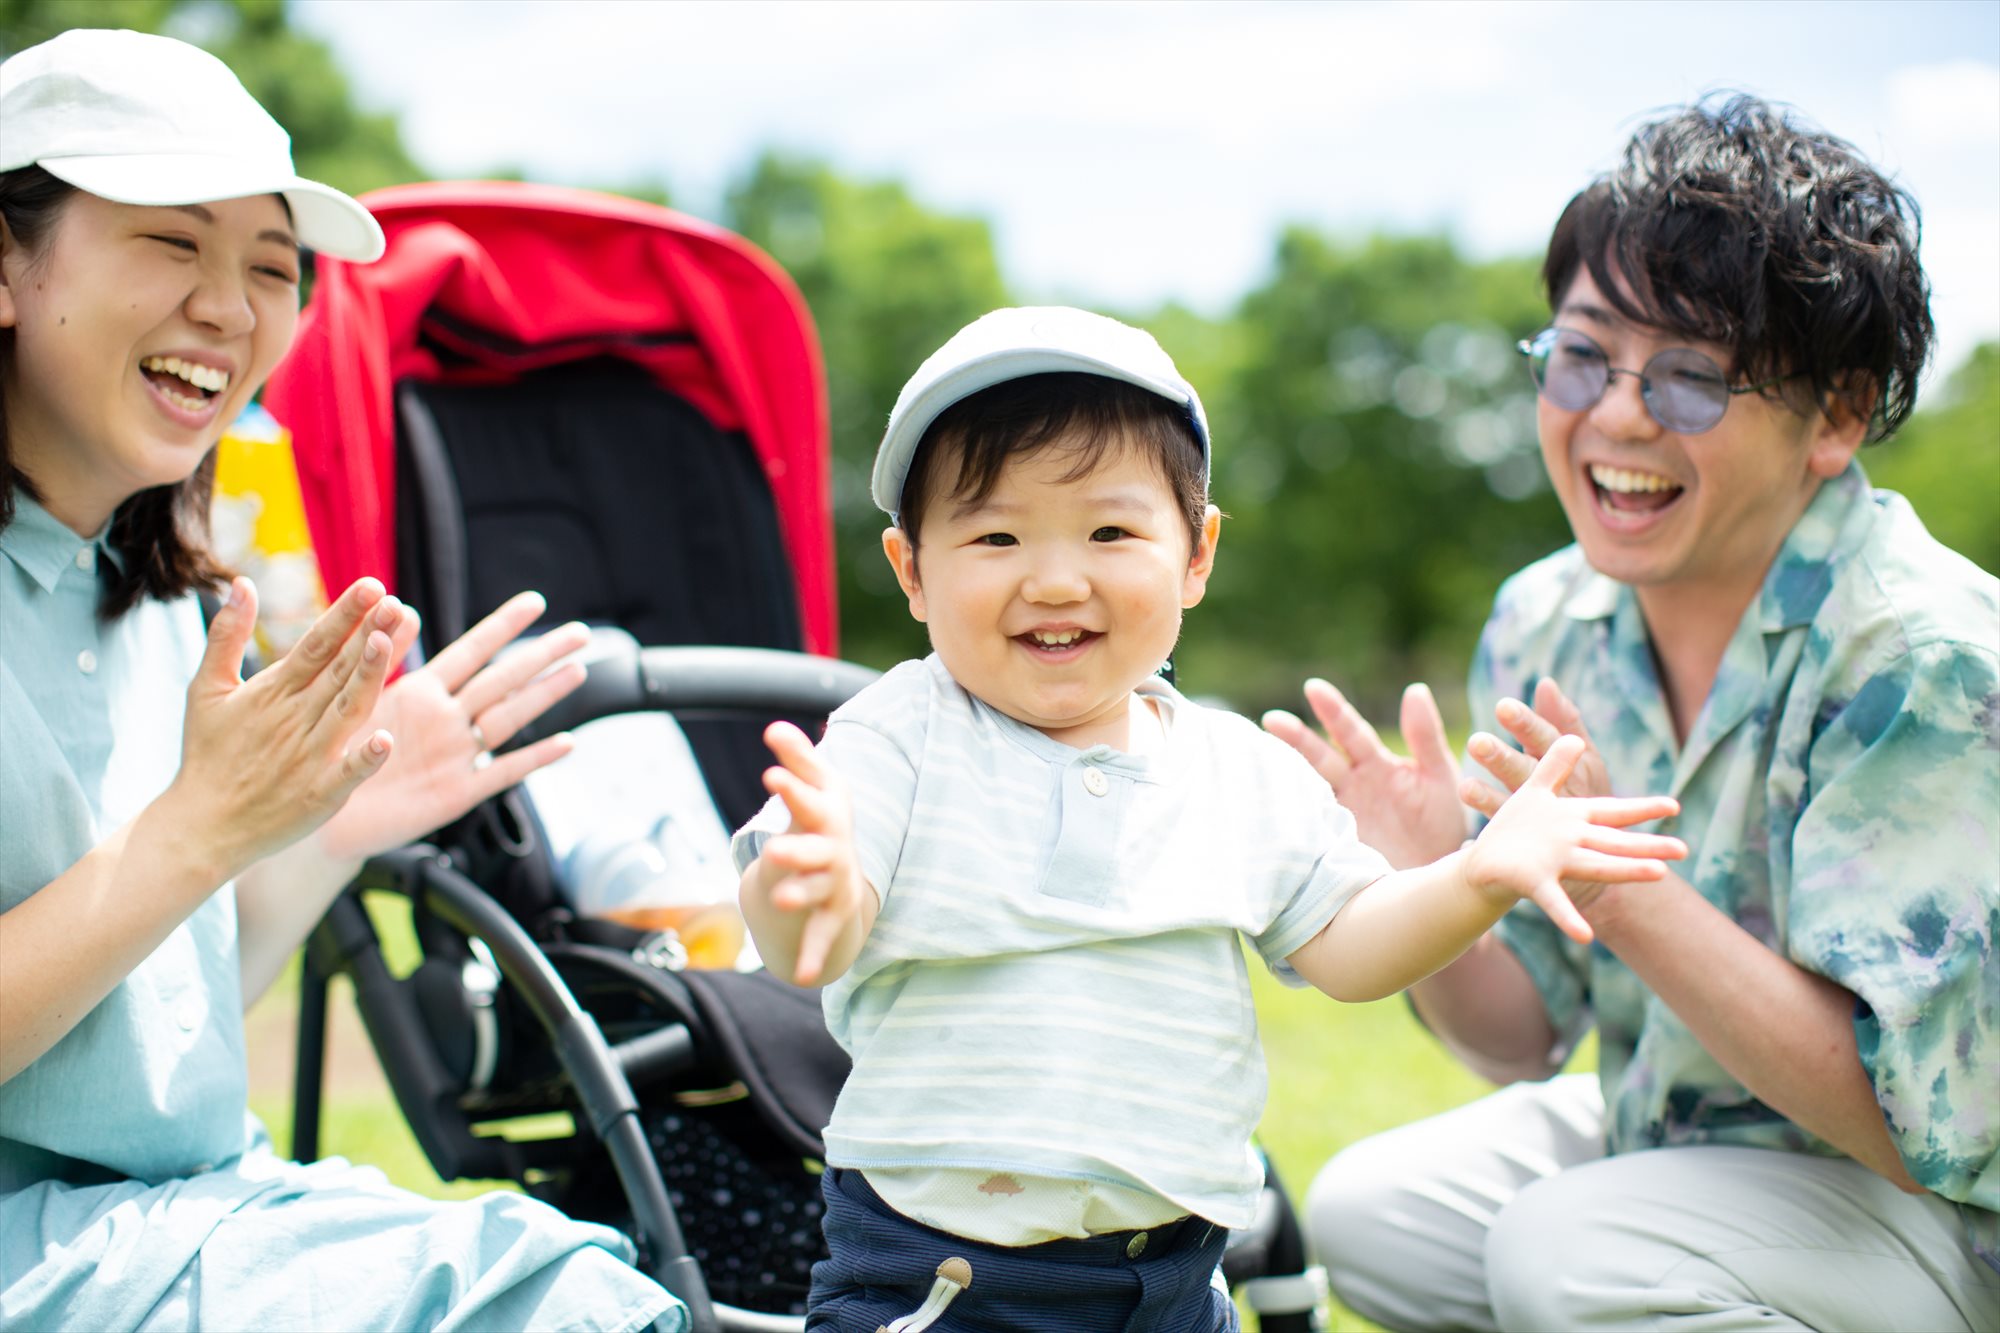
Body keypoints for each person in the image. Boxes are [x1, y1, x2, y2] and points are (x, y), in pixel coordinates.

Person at [729, 305, 1687, 1331]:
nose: (1055, 578)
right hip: (942, 1278)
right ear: (912, 570)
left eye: (1109, 530)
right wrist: (805, 885)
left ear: (1195, 552)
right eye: (996, 534)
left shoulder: (1233, 768)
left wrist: (1478, 873)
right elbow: (811, 934)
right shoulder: (898, 737)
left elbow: (1347, 948)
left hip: (1174, 1276)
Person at [1262, 94, 2000, 1331]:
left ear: (1831, 413)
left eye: (1692, 377)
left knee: (1572, 1250)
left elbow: (1923, 1126)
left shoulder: (1923, 660)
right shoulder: (1548, 619)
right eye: (1581, 355)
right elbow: (1527, 1034)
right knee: (1366, 1214)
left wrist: (1617, 887)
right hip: (1685, 1140)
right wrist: (1434, 876)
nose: (1613, 415)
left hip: (1940, 1215)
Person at [0, 28, 684, 1332]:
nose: (230, 306)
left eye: (271, 268)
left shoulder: (166, 610)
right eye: (171, 242)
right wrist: (195, 830)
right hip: (47, 1259)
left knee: (593, 1279)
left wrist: (328, 827)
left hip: (172, 1218)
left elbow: (135, 1040)